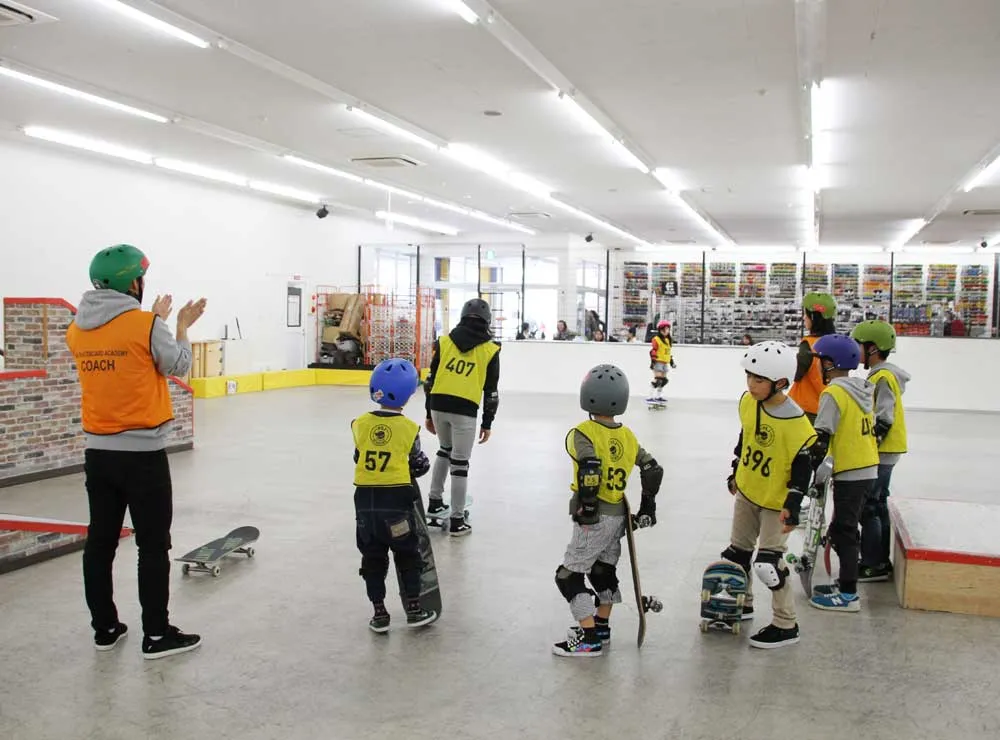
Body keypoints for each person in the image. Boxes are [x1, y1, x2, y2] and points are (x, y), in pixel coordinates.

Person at [65, 244, 206, 659]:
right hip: (143, 456)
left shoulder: (77, 329)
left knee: (100, 542)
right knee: (152, 545)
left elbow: (122, 352)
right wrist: (179, 325)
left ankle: (105, 629)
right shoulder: (145, 325)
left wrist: (153, 321)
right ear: (133, 283)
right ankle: (157, 635)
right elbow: (177, 364)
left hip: (98, 454)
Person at [552, 364, 663, 657]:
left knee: (568, 576)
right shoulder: (628, 436)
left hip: (594, 518)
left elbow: (590, 468)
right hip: (619, 517)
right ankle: (601, 624)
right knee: (603, 571)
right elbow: (653, 469)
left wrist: (588, 506)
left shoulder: (582, 432)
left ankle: (588, 638)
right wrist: (647, 507)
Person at [722, 342, 816, 648]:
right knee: (737, 555)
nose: (751, 384)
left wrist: (793, 503)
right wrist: (735, 471)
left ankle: (786, 624)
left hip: (777, 502)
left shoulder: (796, 420)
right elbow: (745, 438)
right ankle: (744, 603)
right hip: (748, 491)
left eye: (759, 379)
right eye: (749, 376)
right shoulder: (748, 402)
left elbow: (803, 466)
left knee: (769, 565)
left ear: (781, 382)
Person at [352, 358, 436, 632]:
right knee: (407, 554)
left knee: (373, 558)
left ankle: (379, 614)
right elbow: (419, 464)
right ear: (408, 395)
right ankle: (414, 608)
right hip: (396, 503)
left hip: (365, 504)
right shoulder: (409, 429)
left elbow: (358, 457)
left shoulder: (360, 424)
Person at [807, 334, 879, 612]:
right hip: (867, 467)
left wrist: (809, 470)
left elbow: (822, 436)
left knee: (844, 532)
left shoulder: (833, 393)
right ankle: (845, 582)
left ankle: (849, 595)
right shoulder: (861, 389)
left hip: (851, 470)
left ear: (829, 363)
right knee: (843, 528)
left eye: (820, 361)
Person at [424, 298, 501, 536]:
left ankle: (435, 501)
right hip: (464, 409)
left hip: (438, 404)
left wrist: (428, 413)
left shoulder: (444, 341)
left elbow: (430, 381)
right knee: (459, 463)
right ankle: (457, 521)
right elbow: (491, 392)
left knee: (444, 450)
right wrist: (487, 422)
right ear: (487, 321)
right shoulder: (490, 349)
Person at [850, 320, 910, 582]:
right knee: (878, 503)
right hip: (887, 451)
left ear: (872, 348)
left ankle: (874, 563)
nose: (856, 351)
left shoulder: (882, 377)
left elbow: (884, 418)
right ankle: (880, 560)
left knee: (870, 507)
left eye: (858, 346)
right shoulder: (881, 375)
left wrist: (868, 447)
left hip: (882, 451)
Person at [788, 293, 837, 422]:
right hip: (829, 406)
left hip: (804, 409)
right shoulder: (838, 343)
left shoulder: (809, 344)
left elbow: (796, 374)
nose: (804, 317)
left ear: (814, 318)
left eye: (806, 314)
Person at [648, 319, 676, 402]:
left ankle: (658, 396)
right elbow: (653, 351)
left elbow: (668, 352)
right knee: (658, 380)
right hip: (658, 362)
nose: (667, 331)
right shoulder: (656, 339)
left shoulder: (668, 340)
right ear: (660, 330)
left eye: (668, 329)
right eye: (665, 329)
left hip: (665, 362)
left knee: (663, 381)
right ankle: (650, 396)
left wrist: (671, 362)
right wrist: (653, 362)